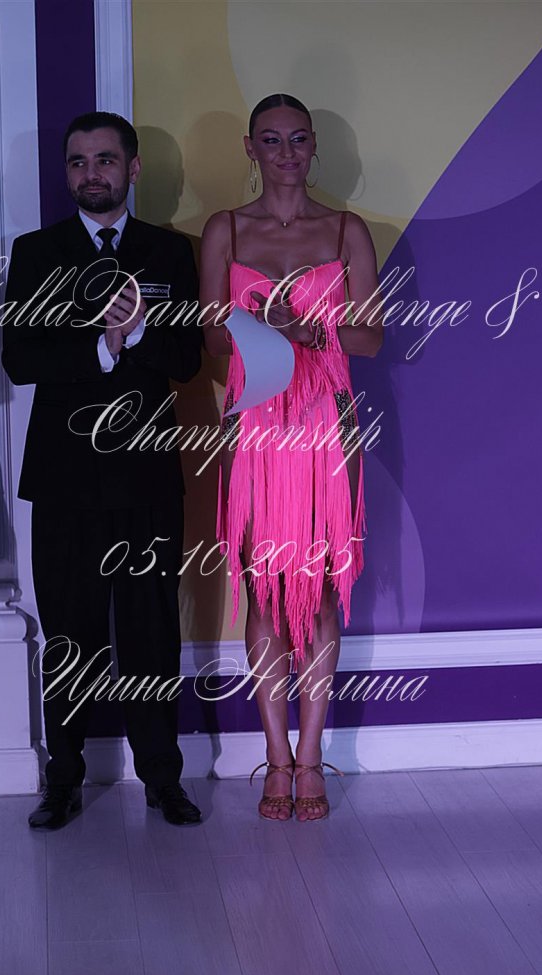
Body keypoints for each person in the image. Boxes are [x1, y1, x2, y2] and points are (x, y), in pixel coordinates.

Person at [2, 112, 202, 828]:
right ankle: (63, 778)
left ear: (133, 168)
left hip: (147, 477)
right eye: (78, 162)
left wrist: (141, 330)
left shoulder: (170, 252)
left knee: (151, 630)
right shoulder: (36, 253)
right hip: (63, 478)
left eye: (105, 160)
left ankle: (162, 778)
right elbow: (20, 359)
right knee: (69, 633)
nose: (91, 173)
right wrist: (102, 347)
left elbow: (187, 361)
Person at [200, 95, 382, 821]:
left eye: (298, 139)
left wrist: (313, 330)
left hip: (325, 424)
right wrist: (256, 326)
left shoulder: (344, 229)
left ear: (313, 149)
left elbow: (370, 337)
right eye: (271, 140)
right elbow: (210, 340)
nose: (285, 152)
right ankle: (275, 758)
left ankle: (310, 759)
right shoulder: (225, 229)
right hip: (254, 425)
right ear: (250, 148)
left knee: (323, 590)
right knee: (263, 590)